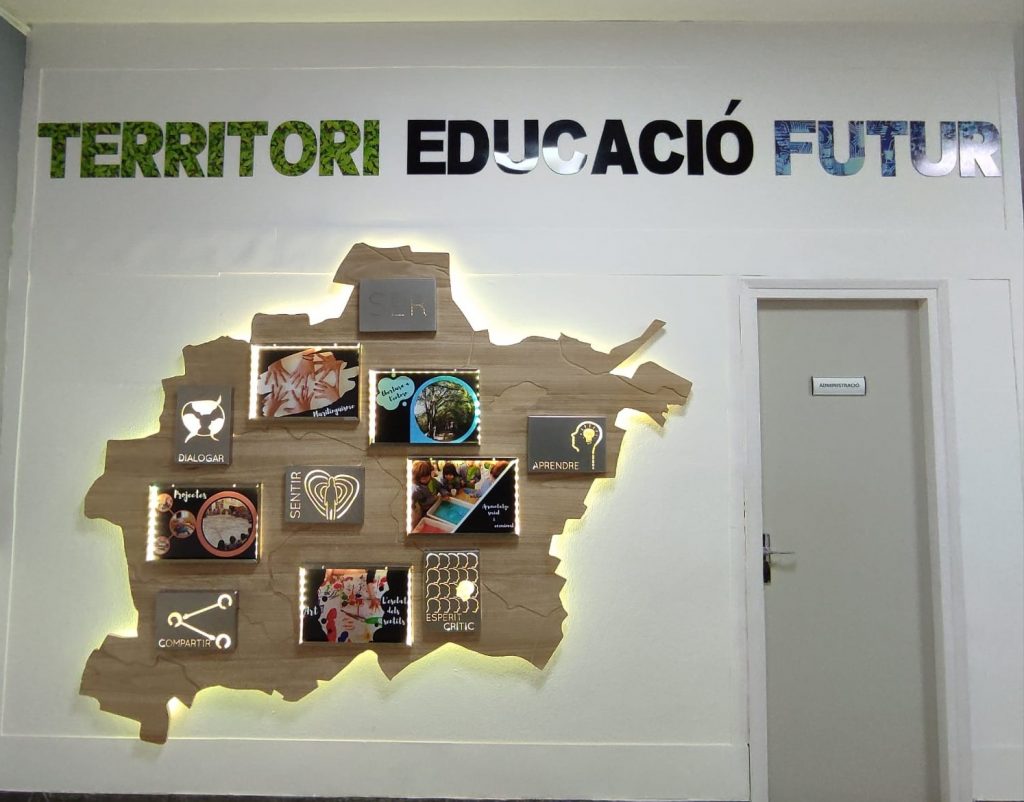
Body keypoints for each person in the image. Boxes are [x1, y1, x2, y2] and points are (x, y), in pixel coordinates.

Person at [410, 459, 440, 527]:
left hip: (435, 501)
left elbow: (439, 486)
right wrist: (413, 506)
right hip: (425, 507)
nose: (426, 479)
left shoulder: (432, 480)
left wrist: (444, 493)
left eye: (428, 476)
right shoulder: (416, 490)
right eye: (423, 478)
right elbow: (412, 500)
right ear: (417, 478)